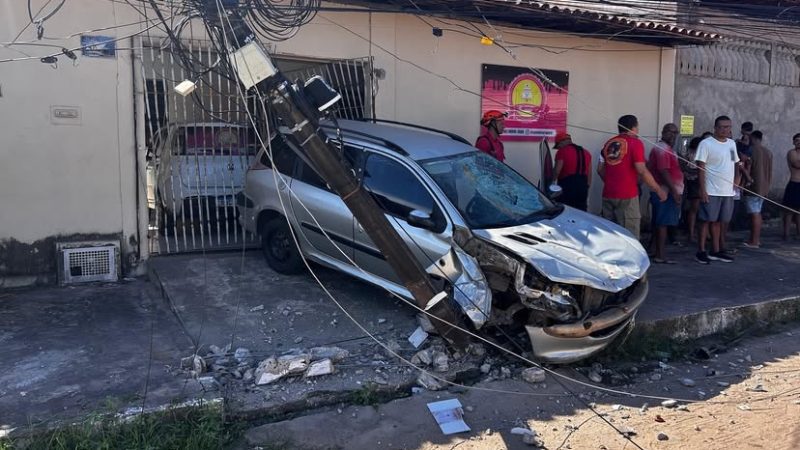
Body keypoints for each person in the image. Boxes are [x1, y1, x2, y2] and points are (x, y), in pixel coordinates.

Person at [597, 114, 667, 239]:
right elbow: (641, 170)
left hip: (608, 193)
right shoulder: (635, 143)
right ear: (634, 127)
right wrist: (658, 189)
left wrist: (611, 182)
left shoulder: (608, 144)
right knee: (629, 235)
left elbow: (600, 169)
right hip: (627, 195)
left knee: (610, 234)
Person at [694, 115, 743, 264]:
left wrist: (736, 180)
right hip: (711, 189)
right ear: (715, 128)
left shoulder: (731, 144)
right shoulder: (706, 144)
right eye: (721, 127)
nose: (724, 130)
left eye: (727, 127)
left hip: (727, 191)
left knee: (720, 222)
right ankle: (701, 251)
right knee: (706, 220)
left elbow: (735, 163)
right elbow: (700, 168)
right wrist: (702, 189)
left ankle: (716, 250)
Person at [647, 123, 683, 263]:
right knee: (663, 223)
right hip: (665, 191)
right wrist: (674, 191)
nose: (673, 135)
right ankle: (660, 255)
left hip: (664, 190)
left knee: (659, 222)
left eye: (675, 133)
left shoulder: (667, 149)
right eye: (670, 132)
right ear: (663, 132)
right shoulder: (662, 148)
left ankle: (655, 250)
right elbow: (663, 170)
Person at [741, 130, 773, 248]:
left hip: (753, 187)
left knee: (754, 214)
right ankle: (754, 239)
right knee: (757, 212)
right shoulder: (768, 152)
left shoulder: (751, 150)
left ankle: (754, 241)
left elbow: (748, 168)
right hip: (764, 187)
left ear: (753, 138)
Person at [553, 132, 592, 211]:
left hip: (567, 188)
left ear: (561, 141)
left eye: (558, 146)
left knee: (565, 212)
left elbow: (557, 171)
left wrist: (550, 182)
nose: (559, 148)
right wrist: (586, 188)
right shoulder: (587, 153)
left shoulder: (562, 151)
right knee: (581, 213)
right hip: (583, 188)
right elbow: (589, 174)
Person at [680, 136, 703, 242]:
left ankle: (691, 232)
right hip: (695, 182)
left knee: (693, 209)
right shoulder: (695, 154)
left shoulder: (688, 153)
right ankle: (692, 232)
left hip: (690, 182)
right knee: (694, 209)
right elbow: (691, 169)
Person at [783, 133, 800, 240]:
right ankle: (786, 234)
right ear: (793, 142)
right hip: (794, 183)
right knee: (789, 210)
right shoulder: (791, 153)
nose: (799, 142)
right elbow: (797, 164)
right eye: (797, 140)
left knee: (799, 211)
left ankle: (799, 233)